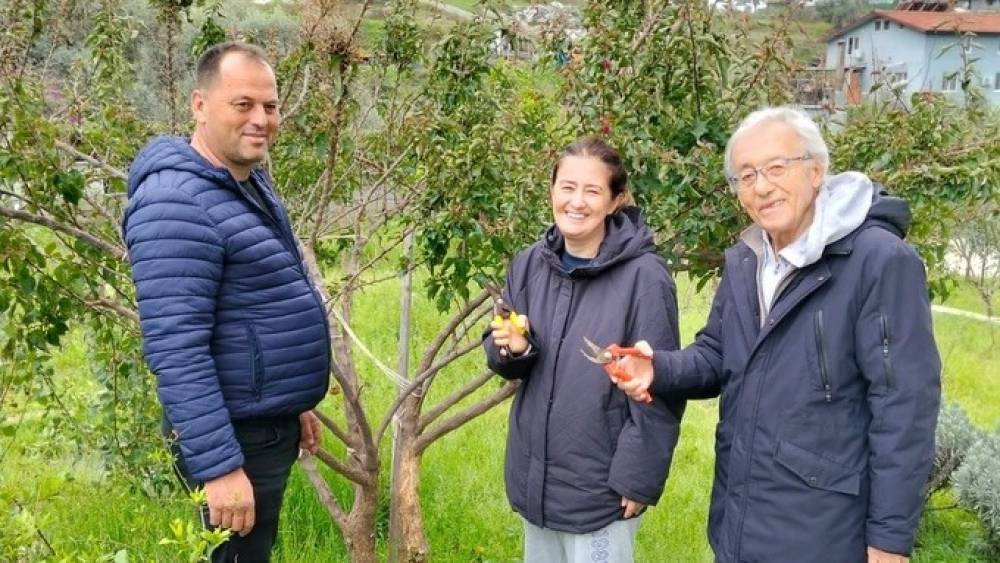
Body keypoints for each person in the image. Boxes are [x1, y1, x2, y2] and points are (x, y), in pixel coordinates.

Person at [613, 107, 941, 563]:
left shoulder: (878, 261)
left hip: (823, 533)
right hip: (741, 518)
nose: (762, 186)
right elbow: (718, 354)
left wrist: (888, 540)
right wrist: (658, 369)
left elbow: (904, 406)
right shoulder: (746, 259)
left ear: (816, 170)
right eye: (746, 176)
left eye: (776, 167)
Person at [122, 41, 329, 562]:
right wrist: (219, 467)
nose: (261, 119)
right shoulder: (176, 202)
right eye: (243, 104)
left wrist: (292, 403)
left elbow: (255, 305)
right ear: (200, 105)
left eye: (270, 106)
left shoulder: (243, 181)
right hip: (233, 436)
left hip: (261, 422)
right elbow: (177, 348)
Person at [484, 137, 686, 562]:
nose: (576, 202)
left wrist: (638, 476)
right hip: (536, 479)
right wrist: (514, 349)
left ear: (615, 201)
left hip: (601, 488)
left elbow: (659, 385)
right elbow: (504, 356)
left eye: (592, 191)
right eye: (567, 187)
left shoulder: (644, 278)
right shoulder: (530, 263)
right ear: (552, 191)